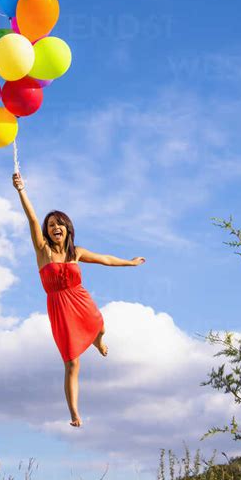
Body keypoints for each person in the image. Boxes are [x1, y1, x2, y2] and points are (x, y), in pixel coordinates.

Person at [12, 171, 146, 427]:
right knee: (72, 362)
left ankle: (98, 341)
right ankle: (74, 413)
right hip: (59, 308)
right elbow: (31, 218)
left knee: (101, 326)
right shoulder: (43, 252)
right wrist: (21, 190)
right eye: (50, 225)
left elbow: (105, 259)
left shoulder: (77, 252)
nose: (54, 228)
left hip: (80, 300)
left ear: (67, 228)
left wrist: (129, 262)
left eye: (59, 223)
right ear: (47, 231)